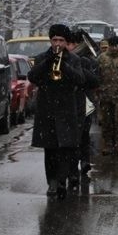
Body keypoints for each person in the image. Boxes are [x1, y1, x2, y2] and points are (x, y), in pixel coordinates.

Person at [28, 24, 86, 199]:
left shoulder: (74, 59)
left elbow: (80, 79)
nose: (58, 43)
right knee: (50, 149)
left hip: (67, 108)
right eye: (55, 40)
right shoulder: (41, 58)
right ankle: (52, 182)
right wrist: (48, 62)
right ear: (50, 41)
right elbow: (33, 77)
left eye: (61, 40)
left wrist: (64, 66)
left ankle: (62, 180)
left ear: (66, 41)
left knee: (65, 149)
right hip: (47, 109)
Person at [65, 29, 99, 190]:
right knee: (70, 138)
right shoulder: (62, 60)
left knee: (83, 135)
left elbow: (94, 81)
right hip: (67, 103)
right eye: (69, 43)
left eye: (72, 44)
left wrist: (78, 66)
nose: (70, 46)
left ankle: (84, 161)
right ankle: (70, 168)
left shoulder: (85, 61)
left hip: (84, 102)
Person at [97, 35, 118, 156]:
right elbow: (98, 75)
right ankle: (107, 144)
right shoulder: (102, 58)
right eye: (111, 45)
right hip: (105, 94)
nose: (113, 48)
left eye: (116, 45)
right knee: (106, 121)